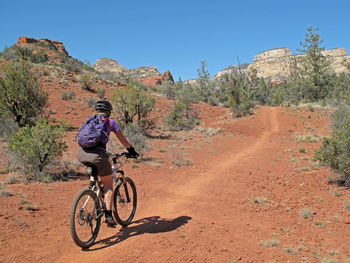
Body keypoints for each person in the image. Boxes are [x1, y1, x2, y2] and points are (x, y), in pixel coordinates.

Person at [77, 100, 139, 227]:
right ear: (109, 111)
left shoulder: (89, 121)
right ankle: (108, 216)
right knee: (108, 185)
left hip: (82, 154)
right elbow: (122, 139)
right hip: (97, 156)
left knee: (96, 171)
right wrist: (131, 150)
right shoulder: (110, 122)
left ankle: (92, 188)